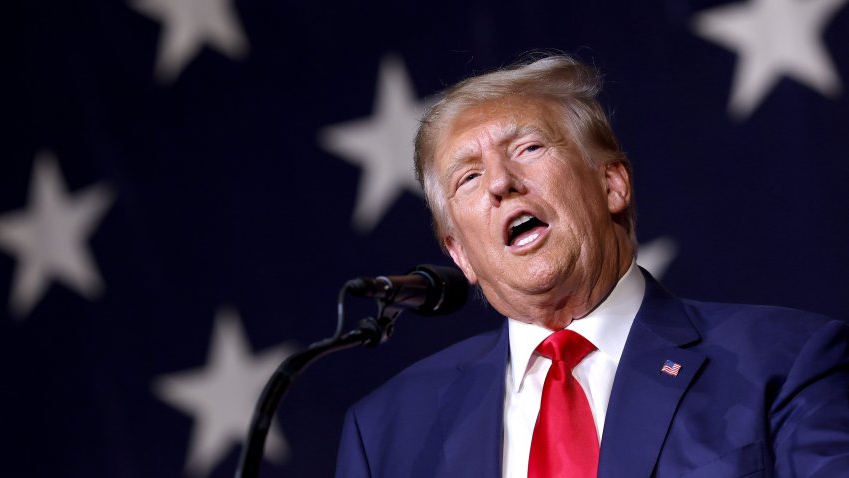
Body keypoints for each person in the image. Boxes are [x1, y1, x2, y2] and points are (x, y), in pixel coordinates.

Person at [334, 54, 849, 477]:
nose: (499, 183)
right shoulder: (385, 434)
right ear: (460, 254)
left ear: (612, 185)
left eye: (529, 147)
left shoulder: (786, 363)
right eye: (467, 178)